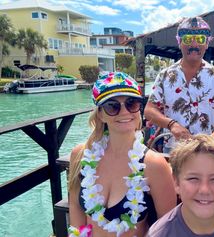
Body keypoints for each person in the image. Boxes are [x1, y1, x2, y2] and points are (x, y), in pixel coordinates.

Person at [68, 72, 177, 237]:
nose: (124, 112)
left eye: (131, 103)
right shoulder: (80, 155)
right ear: (100, 114)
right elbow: (76, 215)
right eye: (112, 106)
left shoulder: (154, 165)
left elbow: (168, 229)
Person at [144, 16, 214, 152]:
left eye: (200, 39)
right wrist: (171, 124)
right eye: (188, 39)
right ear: (179, 42)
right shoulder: (164, 75)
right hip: (174, 147)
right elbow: (149, 110)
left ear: (206, 44)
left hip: (207, 147)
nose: (194, 44)